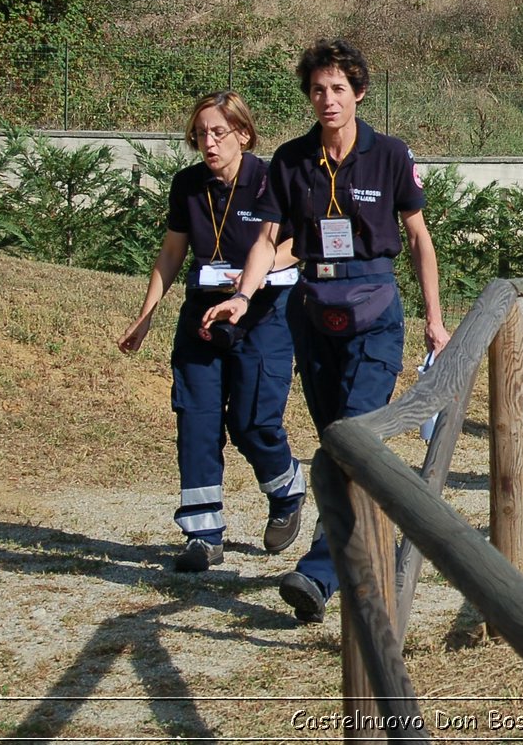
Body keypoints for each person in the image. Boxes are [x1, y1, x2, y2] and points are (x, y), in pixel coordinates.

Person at [203, 39, 451, 624]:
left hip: (375, 311)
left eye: (339, 88)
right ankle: (370, 544)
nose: (328, 99)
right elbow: (267, 242)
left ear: (359, 93)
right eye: (318, 89)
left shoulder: (389, 155)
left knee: (353, 442)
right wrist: (243, 295)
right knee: (338, 443)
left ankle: (319, 571)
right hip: (312, 309)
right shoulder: (290, 160)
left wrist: (434, 319)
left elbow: (418, 239)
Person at [118, 91, 305, 573]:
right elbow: (171, 253)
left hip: (260, 315)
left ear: (243, 133)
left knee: (252, 422)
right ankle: (203, 533)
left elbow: (297, 245)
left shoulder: (270, 179)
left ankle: (286, 491)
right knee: (196, 418)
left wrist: (249, 280)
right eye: (200, 133)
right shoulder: (187, 185)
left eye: (218, 132)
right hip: (202, 315)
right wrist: (146, 315)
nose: (208, 142)